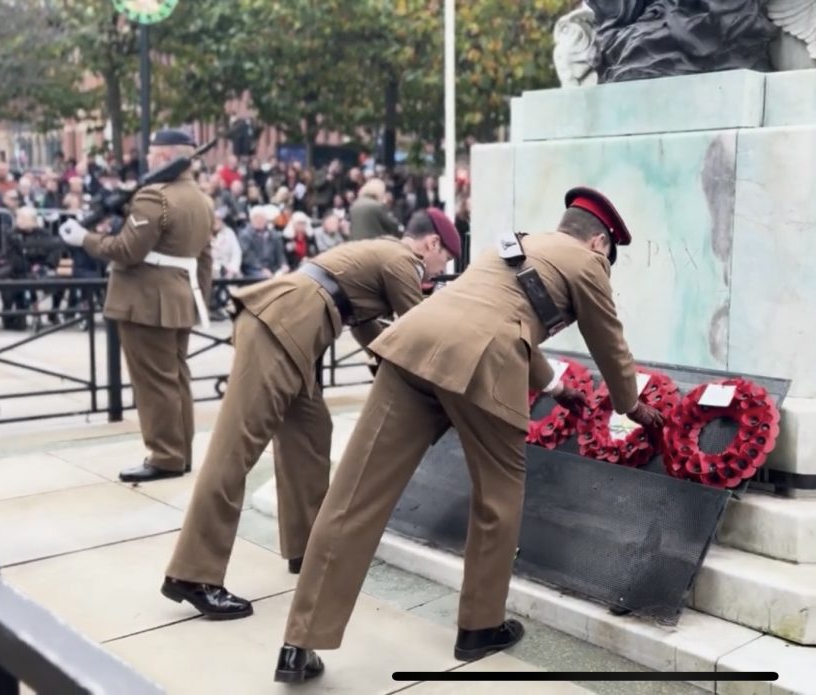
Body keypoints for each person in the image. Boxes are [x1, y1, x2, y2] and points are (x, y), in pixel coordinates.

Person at [270, 186, 664, 683]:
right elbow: (609, 343)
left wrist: (556, 387)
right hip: (483, 366)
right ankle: (480, 627)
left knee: (354, 495)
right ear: (601, 244)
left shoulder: (515, 244)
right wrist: (631, 405)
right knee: (497, 497)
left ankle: (298, 642)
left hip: (413, 347)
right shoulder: (588, 266)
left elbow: (499, 314)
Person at [160, 210, 459, 620]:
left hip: (297, 332)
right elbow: (417, 331)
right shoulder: (403, 260)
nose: (442, 269)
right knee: (235, 451)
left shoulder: (382, 255)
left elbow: (372, 331)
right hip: (283, 328)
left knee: (312, 432)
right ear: (432, 245)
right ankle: (193, 574)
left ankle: (307, 549)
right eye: (446, 260)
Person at [59, 129, 214, 483]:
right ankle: (180, 452)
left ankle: (164, 456)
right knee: (176, 379)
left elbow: (128, 251)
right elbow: (205, 259)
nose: (147, 159)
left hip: (145, 301)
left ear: (163, 157)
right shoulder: (202, 200)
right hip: (179, 299)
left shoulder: (153, 197)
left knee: (154, 384)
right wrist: (197, 300)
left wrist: (85, 238)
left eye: (152, 153)